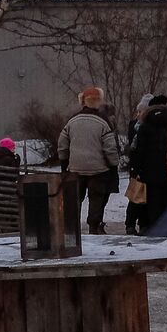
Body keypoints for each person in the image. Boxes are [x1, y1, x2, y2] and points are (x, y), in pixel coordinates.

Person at [56, 87, 121, 235]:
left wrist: (65, 164)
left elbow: (62, 145)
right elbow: (110, 148)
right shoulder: (104, 122)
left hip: (75, 169)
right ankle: (93, 227)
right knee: (96, 199)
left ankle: (72, 230)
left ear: (82, 101)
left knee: (75, 200)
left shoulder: (72, 121)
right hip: (98, 170)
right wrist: (113, 164)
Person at [129, 95, 167, 232]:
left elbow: (138, 150)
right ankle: (166, 226)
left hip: (149, 172)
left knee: (151, 201)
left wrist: (135, 170)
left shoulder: (144, 127)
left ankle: (151, 226)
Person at [123, 95, 153, 233]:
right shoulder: (136, 126)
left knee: (140, 197)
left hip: (141, 167)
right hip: (138, 167)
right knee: (136, 196)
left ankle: (139, 223)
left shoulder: (138, 126)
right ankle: (132, 223)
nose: (138, 114)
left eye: (140, 111)